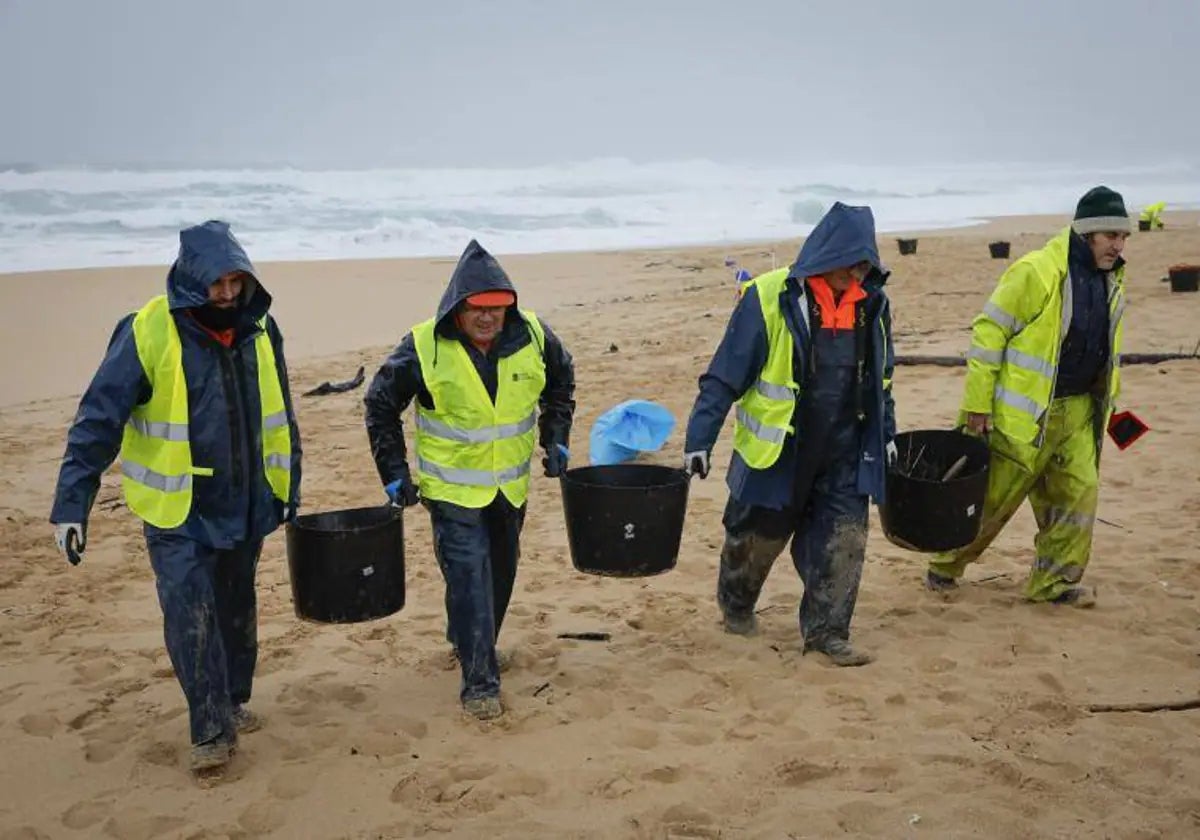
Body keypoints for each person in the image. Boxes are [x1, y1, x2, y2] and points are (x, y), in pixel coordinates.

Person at [49, 220, 302, 773]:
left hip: (246, 499)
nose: (229, 294)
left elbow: (282, 414)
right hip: (176, 507)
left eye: (237, 282)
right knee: (191, 612)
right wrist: (72, 504)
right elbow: (97, 420)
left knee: (237, 607)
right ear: (193, 279)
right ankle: (209, 729)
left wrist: (291, 488)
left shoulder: (262, 328)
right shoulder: (145, 331)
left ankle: (233, 700)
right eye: (218, 284)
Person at [364, 239, 575, 720]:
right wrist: (393, 473)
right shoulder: (422, 347)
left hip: (509, 488)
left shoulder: (536, 337)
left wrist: (556, 436)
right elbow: (379, 406)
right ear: (457, 308)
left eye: (497, 309)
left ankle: (469, 641)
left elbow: (561, 381)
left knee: (500, 575)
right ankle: (479, 683)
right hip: (451, 493)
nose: (487, 318)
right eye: (477, 309)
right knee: (469, 578)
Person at [683, 202, 896, 666]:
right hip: (778, 451)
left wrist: (888, 436)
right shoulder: (767, 297)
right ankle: (736, 607)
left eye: (864, 265)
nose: (855, 273)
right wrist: (699, 439)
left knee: (844, 541)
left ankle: (827, 635)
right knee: (753, 543)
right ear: (825, 252)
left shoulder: (874, 305)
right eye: (849, 262)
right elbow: (724, 375)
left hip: (845, 450)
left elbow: (882, 381)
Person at [926, 186, 1130, 606]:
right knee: (994, 499)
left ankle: (1053, 584)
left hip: (1079, 412)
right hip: (1025, 415)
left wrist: (1109, 408)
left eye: (1123, 236)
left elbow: (1105, 350)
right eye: (1110, 235)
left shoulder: (1112, 280)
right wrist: (977, 404)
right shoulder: (1037, 271)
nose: (1118, 244)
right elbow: (988, 331)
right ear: (1087, 233)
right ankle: (944, 565)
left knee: (1078, 496)